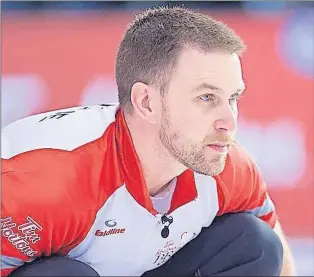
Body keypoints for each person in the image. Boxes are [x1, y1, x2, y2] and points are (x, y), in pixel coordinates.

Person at [1, 6, 295, 277]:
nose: (229, 121)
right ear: (146, 102)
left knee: (256, 243)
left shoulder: (226, 164)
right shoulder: (44, 179)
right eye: (207, 97)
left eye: (232, 98)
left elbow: (280, 264)